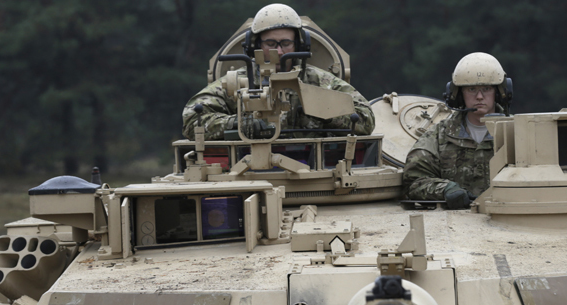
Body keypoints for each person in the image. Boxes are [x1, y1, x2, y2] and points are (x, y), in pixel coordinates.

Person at [182, 3, 375, 140]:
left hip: (314, 170)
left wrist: (323, 107)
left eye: (285, 43)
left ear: (299, 44)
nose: (279, 51)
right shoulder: (237, 81)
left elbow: (365, 119)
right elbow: (193, 120)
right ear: (255, 45)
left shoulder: (321, 81)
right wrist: (239, 124)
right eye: (271, 43)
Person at [402, 52, 512, 209]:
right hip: (454, 222)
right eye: (472, 89)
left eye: (486, 89)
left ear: (499, 93)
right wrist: (446, 190)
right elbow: (414, 181)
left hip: (508, 217)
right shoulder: (439, 136)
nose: (479, 96)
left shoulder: (517, 132)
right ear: (459, 95)